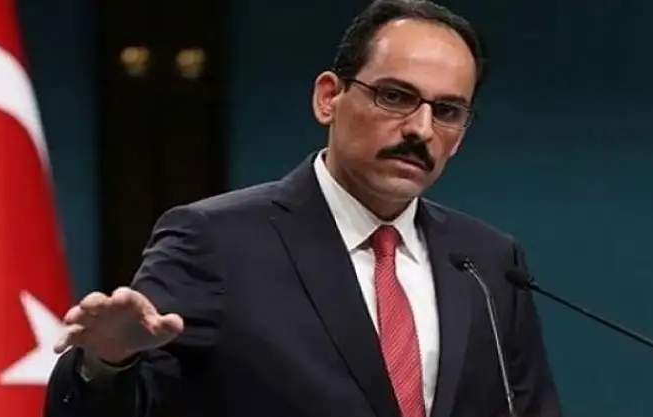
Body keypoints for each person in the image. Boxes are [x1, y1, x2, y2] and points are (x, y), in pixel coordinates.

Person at [44, 1, 562, 416]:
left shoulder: (487, 262)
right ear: (328, 98)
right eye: (395, 96)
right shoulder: (215, 241)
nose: (420, 130)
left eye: (446, 111)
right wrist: (108, 362)